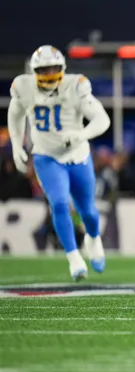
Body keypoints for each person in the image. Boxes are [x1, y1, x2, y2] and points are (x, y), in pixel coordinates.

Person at [8, 45, 110, 280]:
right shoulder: (23, 87)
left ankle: (93, 238)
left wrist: (80, 135)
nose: (48, 73)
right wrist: (16, 144)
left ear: (62, 68)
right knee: (59, 203)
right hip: (46, 156)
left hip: (78, 155)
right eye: (43, 69)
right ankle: (74, 257)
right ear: (34, 71)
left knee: (89, 213)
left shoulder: (75, 86)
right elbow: (15, 114)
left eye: (52, 68)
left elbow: (102, 120)